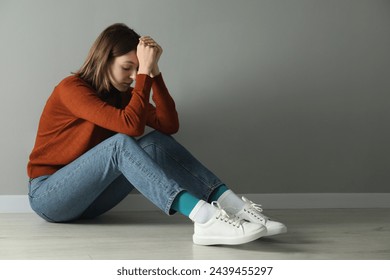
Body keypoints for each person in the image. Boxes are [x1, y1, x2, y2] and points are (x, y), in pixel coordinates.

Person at [27, 23, 286, 246]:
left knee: (156, 143)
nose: (132, 76)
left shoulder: (125, 96)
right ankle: (205, 219)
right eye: (127, 67)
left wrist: (155, 73)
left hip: (92, 201)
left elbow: (168, 124)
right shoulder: (71, 88)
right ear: (103, 60)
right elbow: (129, 127)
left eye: (136, 69)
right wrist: (143, 76)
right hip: (50, 196)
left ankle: (233, 207)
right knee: (120, 144)